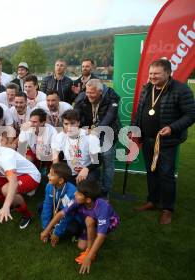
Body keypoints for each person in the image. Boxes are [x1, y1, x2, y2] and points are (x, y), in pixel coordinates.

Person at [132, 59, 195, 224]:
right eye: (151, 73)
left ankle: (167, 209)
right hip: (147, 140)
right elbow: (140, 111)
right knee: (151, 172)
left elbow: (191, 114)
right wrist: (135, 130)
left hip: (167, 142)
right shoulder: (147, 88)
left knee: (166, 175)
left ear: (168, 73)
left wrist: (172, 128)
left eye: (156, 74)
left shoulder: (181, 90)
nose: (152, 77)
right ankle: (153, 201)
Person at [42, 179, 120, 274]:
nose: (75, 194)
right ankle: (90, 239)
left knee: (90, 222)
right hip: (90, 221)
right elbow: (60, 214)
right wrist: (46, 230)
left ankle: (90, 252)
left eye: (79, 193)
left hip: (109, 223)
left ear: (87, 200)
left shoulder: (103, 207)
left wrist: (89, 257)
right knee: (81, 246)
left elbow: (101, 236)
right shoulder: (76, 200)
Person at [74, 79, 120, 197]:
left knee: (106, 158)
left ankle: (105, 191)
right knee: (89, 156)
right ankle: (90, 183)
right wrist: (74, 127)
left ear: (100, 91)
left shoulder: (111, 96)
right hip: (89, 130)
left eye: (92, 93)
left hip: (108, 131)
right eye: (87, 92)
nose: (89, 95)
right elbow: (76, 114)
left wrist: (96, 130)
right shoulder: (83, 96)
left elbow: (110, 116)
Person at [52, 109, 100, 184]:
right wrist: (55, 173)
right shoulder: (59, 137)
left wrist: (86, 169)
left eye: (72, 123)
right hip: (70, 171)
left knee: (86, 186)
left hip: (88, 169)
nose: (69, 127)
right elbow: (55, 159)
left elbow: (98, 160)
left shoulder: (90, 136)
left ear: (78, 123)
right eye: (66, 124)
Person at [39, 163, 77, 247]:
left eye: (52, 174)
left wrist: (57, 232)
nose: (48, 175)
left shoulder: (72, 193)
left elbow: (68, 215)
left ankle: (68, 234)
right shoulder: (49, 185)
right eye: (49, 172)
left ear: (60, 181)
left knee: (72, 228)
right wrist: (46, 228)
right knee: (41, 207)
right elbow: (47, 206)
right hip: (58, 208)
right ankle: (51, 228)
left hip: (69, 213)